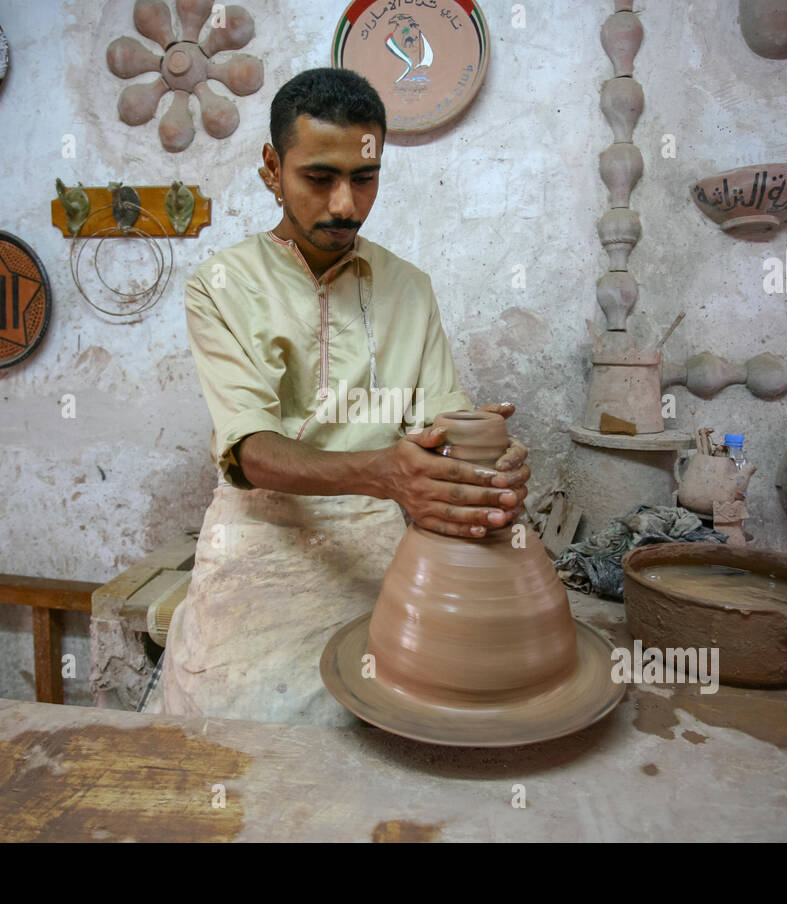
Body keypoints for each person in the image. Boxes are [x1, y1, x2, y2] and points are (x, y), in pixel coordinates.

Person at [140, 68, 530, 726]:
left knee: (397, 725)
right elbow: (252, 450)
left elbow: (443, 430)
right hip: (262, 536)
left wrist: (488, 468)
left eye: (365, 178)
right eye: (319, 178)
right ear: (272, 167)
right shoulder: (223, 284)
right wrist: (386, 471)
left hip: (381, 539)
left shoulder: (409, 287)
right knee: (242, 738)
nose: (345, 204)